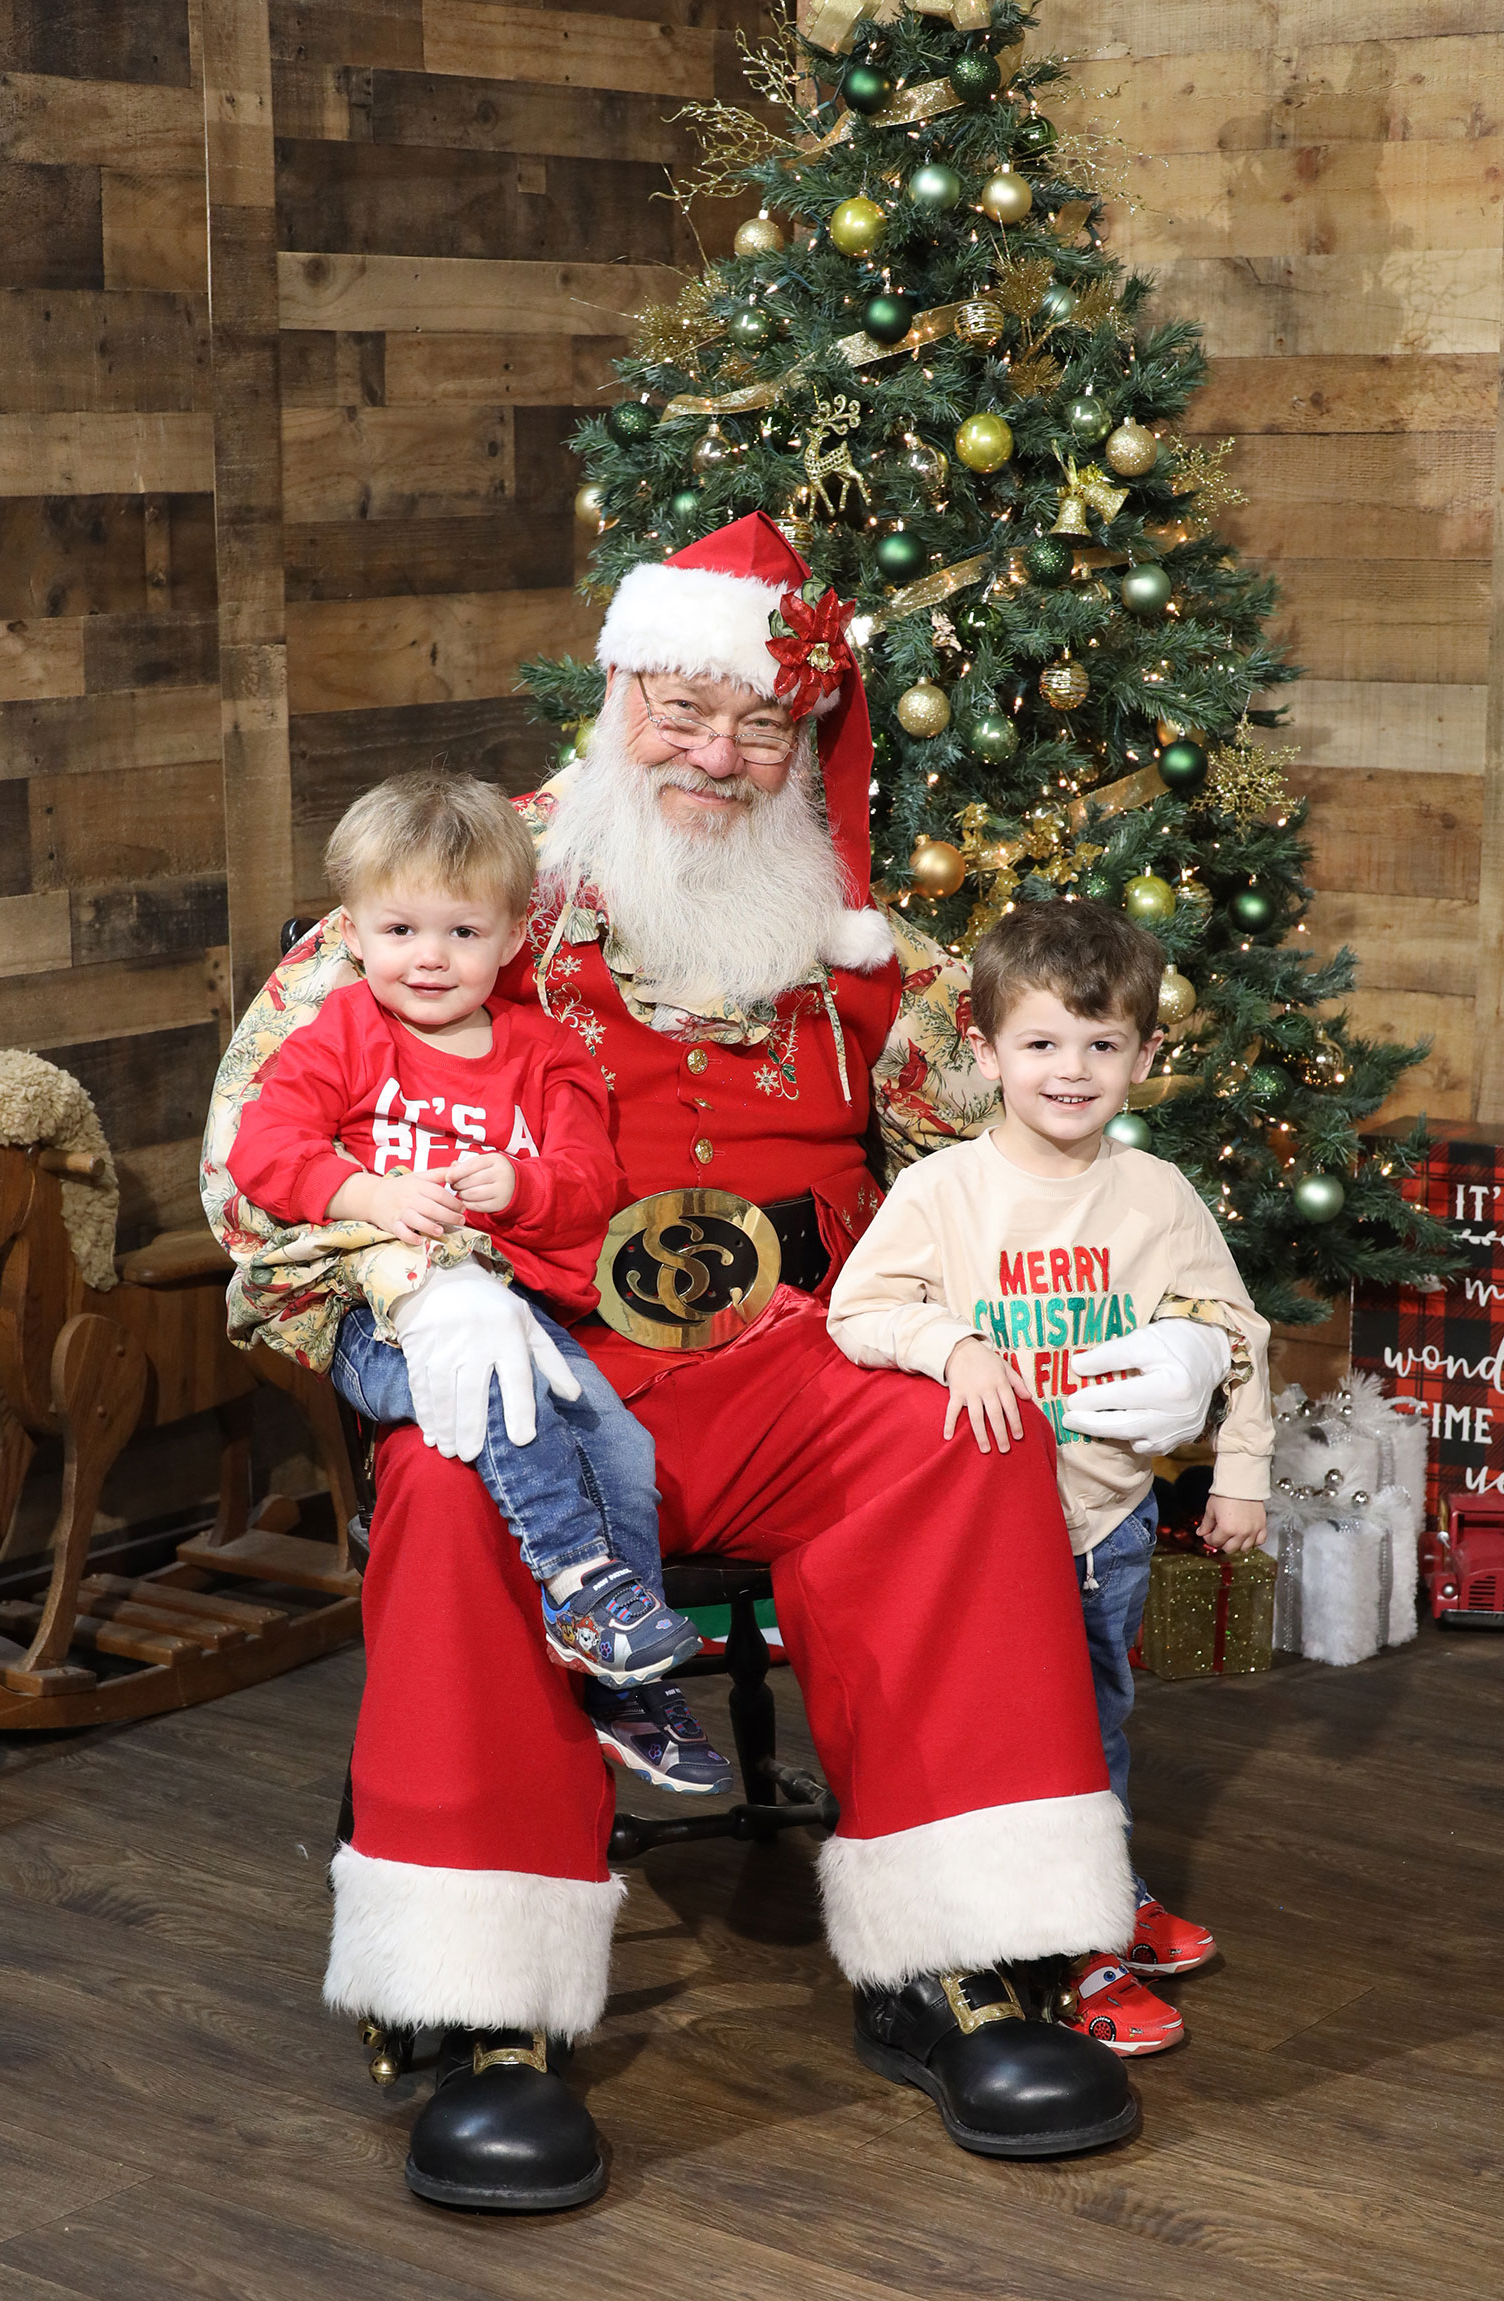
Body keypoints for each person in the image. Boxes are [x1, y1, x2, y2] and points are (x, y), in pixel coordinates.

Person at [203, 514, 1239, 2214]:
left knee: (960, 1447)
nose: (718, 752)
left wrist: (1159, 1331)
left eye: (763, 723)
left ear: (807, 743)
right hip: (544, 1344)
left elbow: (1047, 1161)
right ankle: (482, 2017)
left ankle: (969, 1964)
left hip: (800, 1356)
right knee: (459, 1489)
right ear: (616, 695)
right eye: (684, 708)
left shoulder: (870, 960)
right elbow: (251, 1162)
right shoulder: (456, 903)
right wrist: (414, 1290)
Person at [223, 771, 732, 1792]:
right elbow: (263, 1152)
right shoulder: (345, 1039)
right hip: (374, 1318)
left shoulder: (544, 1055)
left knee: (621, 1449)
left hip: (518, 1305)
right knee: (515, 1406)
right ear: (355, 934)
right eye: (401, 929)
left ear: (509, 940)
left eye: (461, 933)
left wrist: (522, 1180)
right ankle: (581, 1584)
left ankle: (621, 1674)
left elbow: (593, 1188)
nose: (429, 958)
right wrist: (366, 1193)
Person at [827, 898, 1272, 2053]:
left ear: (1144, 1055)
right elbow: (859, 1312)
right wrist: (954, 1344)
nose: (1070, 1071)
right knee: (1028, 1730)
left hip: (1109, 1513)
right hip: (989, 1529)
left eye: (1102, 1044)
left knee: (1101, 1720)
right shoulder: (942, 1194)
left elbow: (1236, 1331)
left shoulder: (1157, 1196)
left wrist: (1242, 1475)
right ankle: (1070, 1958)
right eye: (1040, 1043)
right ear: (982, 1053)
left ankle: (1103, 1898)